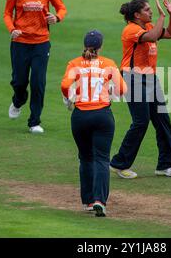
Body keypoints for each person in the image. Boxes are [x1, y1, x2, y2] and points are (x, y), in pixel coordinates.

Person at [109, 0, 171, 179]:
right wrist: (162, 17)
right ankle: (119, 164)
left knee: (162, 120)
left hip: (150, 78)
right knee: (141, 121)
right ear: (136, 15)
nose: (151, 12)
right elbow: (152, 37)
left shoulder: (148, 26)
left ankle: (165, 165)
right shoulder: (131, 30)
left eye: (151, 10)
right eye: (147, 10)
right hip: (132, 78)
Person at [61, 30, 127, 217]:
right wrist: (112, 93)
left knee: (86, 158)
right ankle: (100, 201)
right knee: (101, 158)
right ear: (101, 46)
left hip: (80, 116)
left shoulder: (74, 64)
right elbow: (122, 89)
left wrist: (70, 99)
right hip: (102, 116)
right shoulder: (108, 64)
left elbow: (65, 86)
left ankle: (88, 201)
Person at [3, 0, 67, 133]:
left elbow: (61, 7)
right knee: (19, 81)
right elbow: (7, 13)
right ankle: (18, 100)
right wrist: (11, 29)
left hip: (41, 42)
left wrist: (57, 17)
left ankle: (34, 122)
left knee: (38, 82)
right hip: (20, 42)